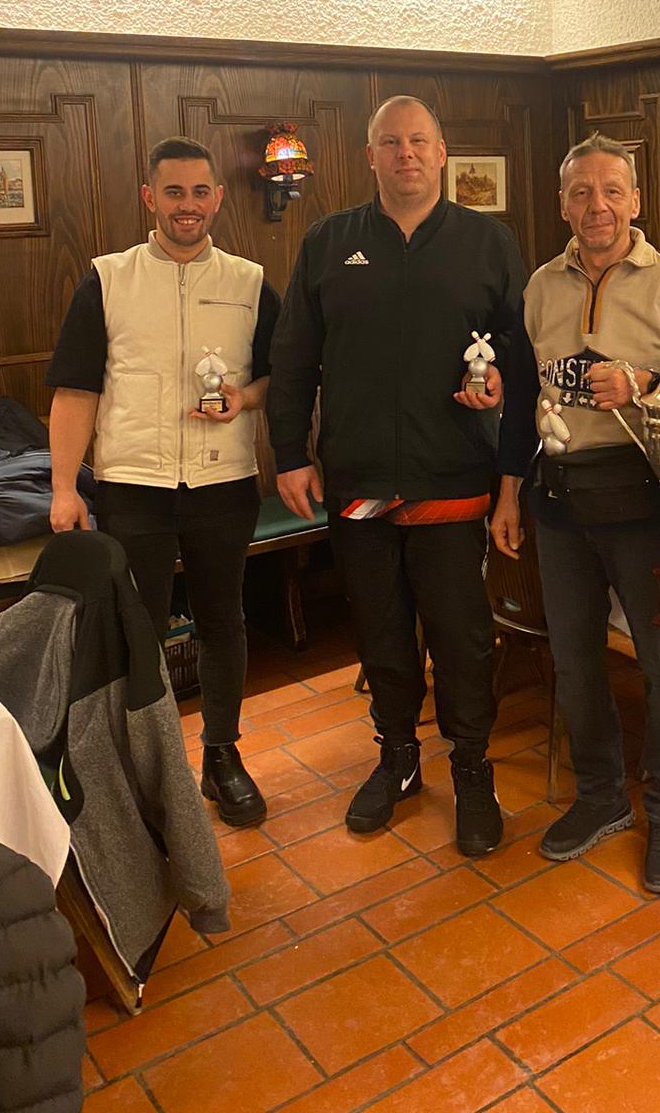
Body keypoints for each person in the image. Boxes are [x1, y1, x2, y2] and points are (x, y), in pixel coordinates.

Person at [268, 96, 526, 857]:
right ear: (370, 156)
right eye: (391, 142)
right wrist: (289, 453)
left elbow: (521, 351)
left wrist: (502, 385)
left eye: (418, 141)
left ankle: (472, 768)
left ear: (442, 153)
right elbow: (293, 359)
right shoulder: (328, 242)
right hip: (359, 480)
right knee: (380, 634)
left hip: (454, 475)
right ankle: (398, 760)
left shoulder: (488, 241)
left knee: (461, 637)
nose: (405, 154)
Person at [491, 132, 660, 894]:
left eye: (612, 191)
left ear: (636, 200)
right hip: (559, 501)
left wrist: (646, 384)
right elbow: (519, 404)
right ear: (562, 204)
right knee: (575, 661)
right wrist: (508, 495)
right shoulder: (538, 287)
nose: (597, 206)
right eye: (581, 192)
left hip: (650, 501)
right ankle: (600, 797)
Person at [46, 137, 279, 828]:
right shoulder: (108, 279)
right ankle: (150, 770)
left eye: (200, 192)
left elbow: (282, 374)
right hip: (133, 485)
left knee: (222, 622)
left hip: (223, 482)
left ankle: (221, 757)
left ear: (218, 198)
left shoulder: (249, 282)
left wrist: (245, 398)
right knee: (140, 631)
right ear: (150, 197)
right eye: (174, 192)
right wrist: (64, 488)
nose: (188, 205)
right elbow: (75, 391)